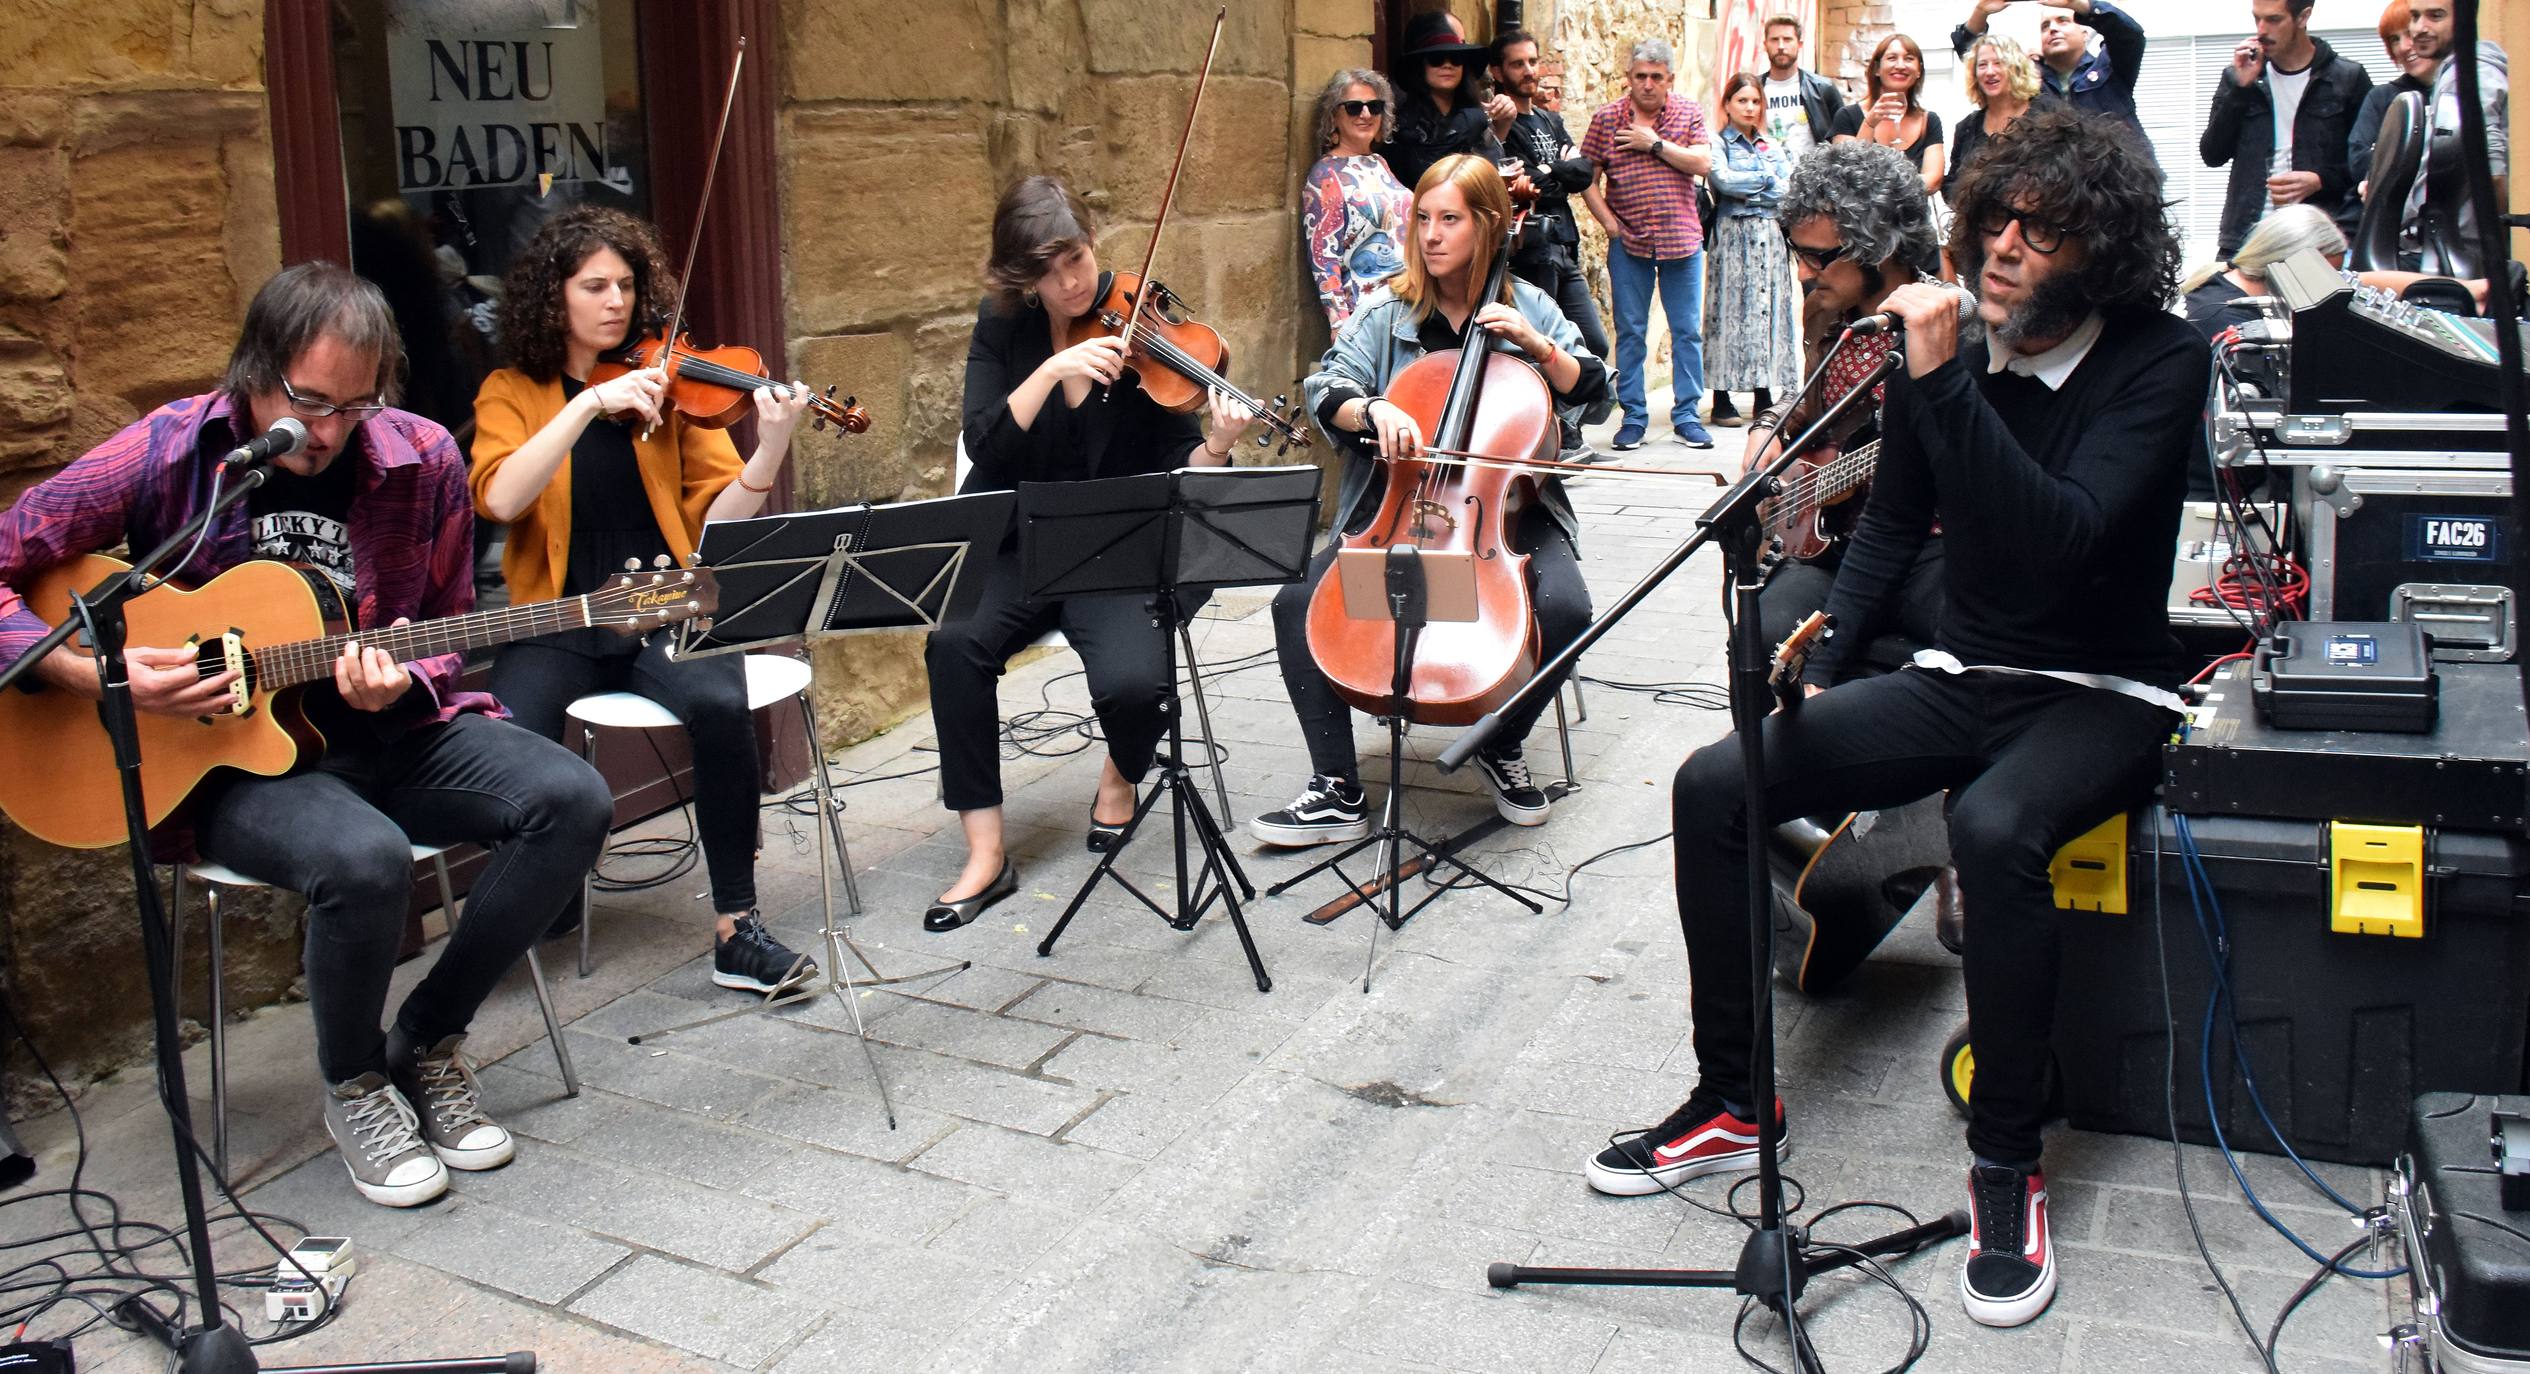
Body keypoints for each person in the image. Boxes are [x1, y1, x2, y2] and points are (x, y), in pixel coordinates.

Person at [1593, 110, 2204, 1332]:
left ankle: (2005, 1168)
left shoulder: (2158, 359)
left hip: (2100, 690)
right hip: (1961, 670)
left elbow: (2063, 538)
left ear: (2103, 251)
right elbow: (1886, 521)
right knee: (1719, 782)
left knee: (1992, 825)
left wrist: (1941, 383)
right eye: (1992, 221)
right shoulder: (1954, 353)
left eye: (2044, 231)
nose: (2004, 249)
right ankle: (1732, 1097)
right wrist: (1823, 656)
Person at [0, 264, 614, 1208]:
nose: (327, 433)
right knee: (363, 859)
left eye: (354, 407)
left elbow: (447, 623)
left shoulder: (421, 458)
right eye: (308, 402)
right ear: (253, 372)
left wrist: (406, 675)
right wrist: (93, 675)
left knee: (572, 800)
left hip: (385, 733)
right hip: (226, 761)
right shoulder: (169, 451)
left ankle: (429, 1040)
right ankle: (356, 1083)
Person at [469, 207, 821, 997]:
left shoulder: (674, 386)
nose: (615, 301)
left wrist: (768, 447)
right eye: (594, 286)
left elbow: (717, 524)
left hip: (662, 605)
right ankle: (541, 894)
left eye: (626, 285)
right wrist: (587, 406)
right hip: (558, 619)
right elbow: (500, 496)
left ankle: (739, 927)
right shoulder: (512, 391)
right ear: (552, 297)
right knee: (506, 737)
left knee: (720, 702)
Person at [926, 176, 1256, 931]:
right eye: (1046, 271)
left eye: (1075, 260)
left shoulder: (1141, 324)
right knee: (953, 646)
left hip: (1115, 547)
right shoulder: (1002, 326)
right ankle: (985, 853)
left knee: (1137, 686)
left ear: (1093, 245)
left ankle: (1120, 771)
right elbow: (983, 440)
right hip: (1019, 539)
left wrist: (1218, 443)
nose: (1069, 283)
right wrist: (1048, 374)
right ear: (1021, 277)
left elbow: (1186, 469)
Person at [1252, 155, 1607, 845]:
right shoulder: (1387, 312)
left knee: (1568, 608)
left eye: (1450, 219)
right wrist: (1372, 409)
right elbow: (1325, 387)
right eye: (1422, 218)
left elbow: (1596, 392)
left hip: (1507, 512)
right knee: (1296, 603)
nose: (1432, 235)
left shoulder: (1531, 305)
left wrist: (1540, 348)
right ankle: (1335, 787)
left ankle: (1501, 743)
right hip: (1399, 509)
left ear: (1490, 224)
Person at [1743, 140, 1948, 658]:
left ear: (1878, 245)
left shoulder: (1945, 326)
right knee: (1760, 633)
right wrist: (1767, 427)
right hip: (1836, 542)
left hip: (1932, 546)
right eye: (1798, 253)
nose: (1804, 273)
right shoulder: (1826, 314)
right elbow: (1812, 406)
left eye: (1819, 257)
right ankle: (1765, 738)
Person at [1581, 38, 1715, 452]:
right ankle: (1634, 417)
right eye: (1641, 76)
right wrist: (1608, 224)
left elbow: (1703, 163)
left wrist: (1653, 143)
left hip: (1682, 240)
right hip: (1630, 243)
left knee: (1687, 331)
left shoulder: (1688, 112)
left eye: (1657, 77)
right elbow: (1587, 175)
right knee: (1632, 332)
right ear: (1629, 78)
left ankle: (1688, 415)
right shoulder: (1607, 119)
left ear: (1669, 79)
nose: (1648, 84)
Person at [1490, 27, 1614, 459]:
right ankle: (1559, 441)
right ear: (1498, 71)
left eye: (1532, 61)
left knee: (1593, 343)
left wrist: (1549, 172)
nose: (1528, 71)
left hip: (1566, 245)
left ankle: (1567, 427)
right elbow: (1519, 183)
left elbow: (1582, 173)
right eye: (1517, 64)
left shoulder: (1549, 119)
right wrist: (1551, 171)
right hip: (1534, 251)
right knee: (1543, 343)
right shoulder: (1502, 129)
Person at [2200, 0, 2373, 257]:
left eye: (2273, 20)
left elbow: (2366, 165)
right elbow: (2212, 154)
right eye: (2256, 19)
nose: (2261, 30)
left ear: (2303, 17)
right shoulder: (2239, 76)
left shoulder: (2347, 78)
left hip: (2316, 236)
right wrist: (2240, 89)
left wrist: (2320, 180)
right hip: (2246, 235)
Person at [2182, 202, 2492, 338]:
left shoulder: (2259, 280)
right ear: (2287, 265)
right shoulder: (2225, 319)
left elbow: (2363, 280)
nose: (2334, 284)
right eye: (2327, 276)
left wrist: (2470, 288)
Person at [1703, 75, 1801, 430]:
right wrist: (1764, 180)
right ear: (1728, 104)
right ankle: (1721, 396)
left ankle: (1764, 392)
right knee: (1727, 311)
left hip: (1769, 236)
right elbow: (1723, 181)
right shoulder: (1717, 142)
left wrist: (1751, 186)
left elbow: (1787, 190)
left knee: (1767, 311)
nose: (1749, 108)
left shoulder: (1771, 145)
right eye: (1742, 100)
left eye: (1755, 102)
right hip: (1731, 235)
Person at [1952, 0, 2150, 149]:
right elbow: (1974, 56)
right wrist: (1981, 12)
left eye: (2063, 21)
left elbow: (2129, 36)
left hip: (2121, 188)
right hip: (2061, 192)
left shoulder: (2110, 67)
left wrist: (2080, 4)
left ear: (2084, 34)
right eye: (2045, 26)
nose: (2053, 29)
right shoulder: (2028, 80)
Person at [1304, 68, 1413, 331]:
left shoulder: (1378, 162)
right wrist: (1339, 325)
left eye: (1374, 107)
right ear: (1334, 116)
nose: (1366, 114)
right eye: (1354, 107)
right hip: (1368, 314)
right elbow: (1323, 259)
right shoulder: (1326, 174)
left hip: (1407, 303)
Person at [2400, 0, 2508, 254]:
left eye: (2435, 16)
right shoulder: (2453, 72)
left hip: (2461, 254)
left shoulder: (2472, 75)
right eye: (2415, 17)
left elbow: (2493, 171)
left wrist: (2496, 252)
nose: (2419, 28)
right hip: (2443, 245)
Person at [1385, 13, 1508, 194]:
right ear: (1421, 66)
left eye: (1456, 59)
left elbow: (1493, 174)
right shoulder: (1402, 123)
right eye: (1437, 59)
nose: (1447, 65)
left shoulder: (1477, 118)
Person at [1832, 34, 1948, 200]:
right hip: (1862, 223)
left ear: (1918, 71)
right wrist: (1869, 124)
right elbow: (1847, 175)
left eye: (1909, 59)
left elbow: (1933, 181)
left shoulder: (1929, 120)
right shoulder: (1847, 116)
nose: (1900, 65)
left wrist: (1879, 185)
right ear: (1877, 69)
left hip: (1912, 222)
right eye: (1892, 58)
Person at [1948, 34, 2057, 204]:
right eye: (1982, 65)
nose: (1990, 72)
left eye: (1999, 63)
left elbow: (2064, 175)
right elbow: (1952, 186)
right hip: (1984, 224)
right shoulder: (1967, 127)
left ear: (2017, 68)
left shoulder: (2049, 113)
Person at [2349, 0, 2438, 193]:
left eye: (2409, 33)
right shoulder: (2381, 97)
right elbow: (2359, 162)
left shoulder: (2460, 91)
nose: (2404, 47)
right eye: (2394, 39)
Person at [1759, 13, 1848, 168]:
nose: (1781, 46)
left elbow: (1842, 139)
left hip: (1812, 182)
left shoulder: (1823, 89)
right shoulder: (1754, 89)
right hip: (1766, 182)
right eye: (1775, 40)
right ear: (1765, 44)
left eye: (1787, 39)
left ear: (1799, 44)